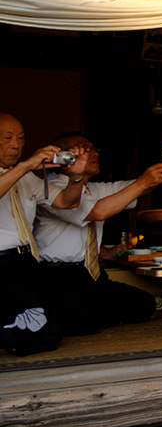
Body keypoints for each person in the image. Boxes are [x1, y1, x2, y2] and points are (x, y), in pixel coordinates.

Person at [34, 131, 162, 334]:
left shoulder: (94, 189)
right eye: (84, 149)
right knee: (88, 318)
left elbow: (140, 189)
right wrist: (142, 182)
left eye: (94, 149)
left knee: (144, 304)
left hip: (88, 272)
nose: (93, 154)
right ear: (63, 157)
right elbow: (97, 212)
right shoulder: (50, 188)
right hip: (56, 273)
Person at [0, 113, 88, 355]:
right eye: (7, 138)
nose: (16, 145)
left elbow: (65, 202)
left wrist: (76, 177)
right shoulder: (23, 170)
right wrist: (27, 164)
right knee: (43, 334)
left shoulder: (26, 177)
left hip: (25, 261)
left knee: (81, 317)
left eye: (20, 138)